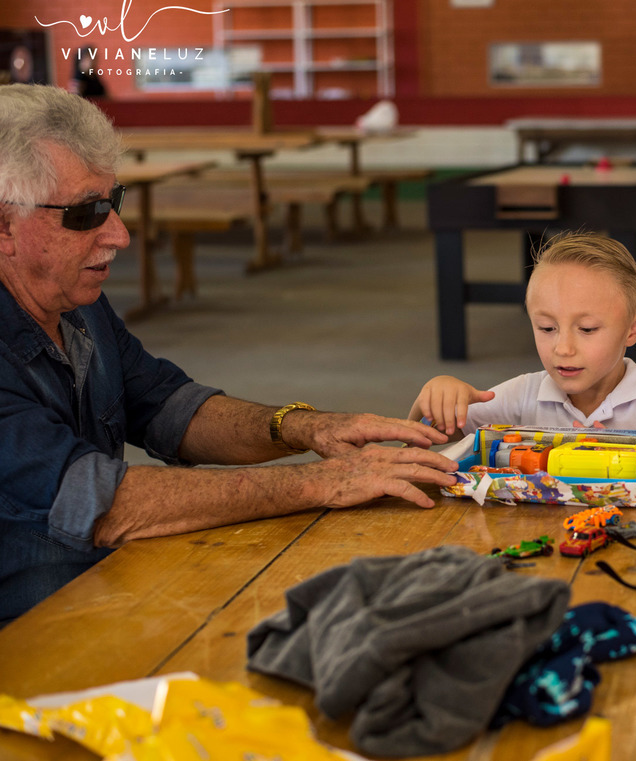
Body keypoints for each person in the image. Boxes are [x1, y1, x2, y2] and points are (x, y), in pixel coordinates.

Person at [0, 84, 458, 626]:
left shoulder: (75, 303)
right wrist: (321, 482)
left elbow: (168, 405)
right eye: (86, 214)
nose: (119, 235)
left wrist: (304, 428)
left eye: (114, 203)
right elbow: (104, 504)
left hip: (97, 589)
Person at [409, 231, 636, 438]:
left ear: (633, 329)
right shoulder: (522, 397)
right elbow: (427, 434)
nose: (563, 348)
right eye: (546, 328)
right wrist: (439, 395)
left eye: (587, 329)